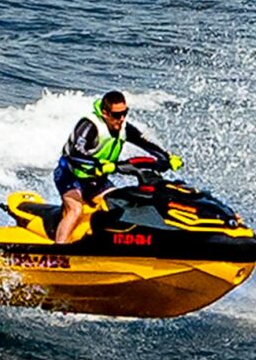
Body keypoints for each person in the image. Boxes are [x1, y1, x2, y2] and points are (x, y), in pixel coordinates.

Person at [52, 89, 181, 244]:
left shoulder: (124, 127)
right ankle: (58, 251)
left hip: (96, 180)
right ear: (105, 113)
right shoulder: (90, 126)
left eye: (124, 113)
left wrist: (167, 157)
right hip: (70, 176)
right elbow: (75, 154)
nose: (121, 119)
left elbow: (146, 143)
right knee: (75, 210)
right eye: (116, 115)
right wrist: (99, 165)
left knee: (119, 204)